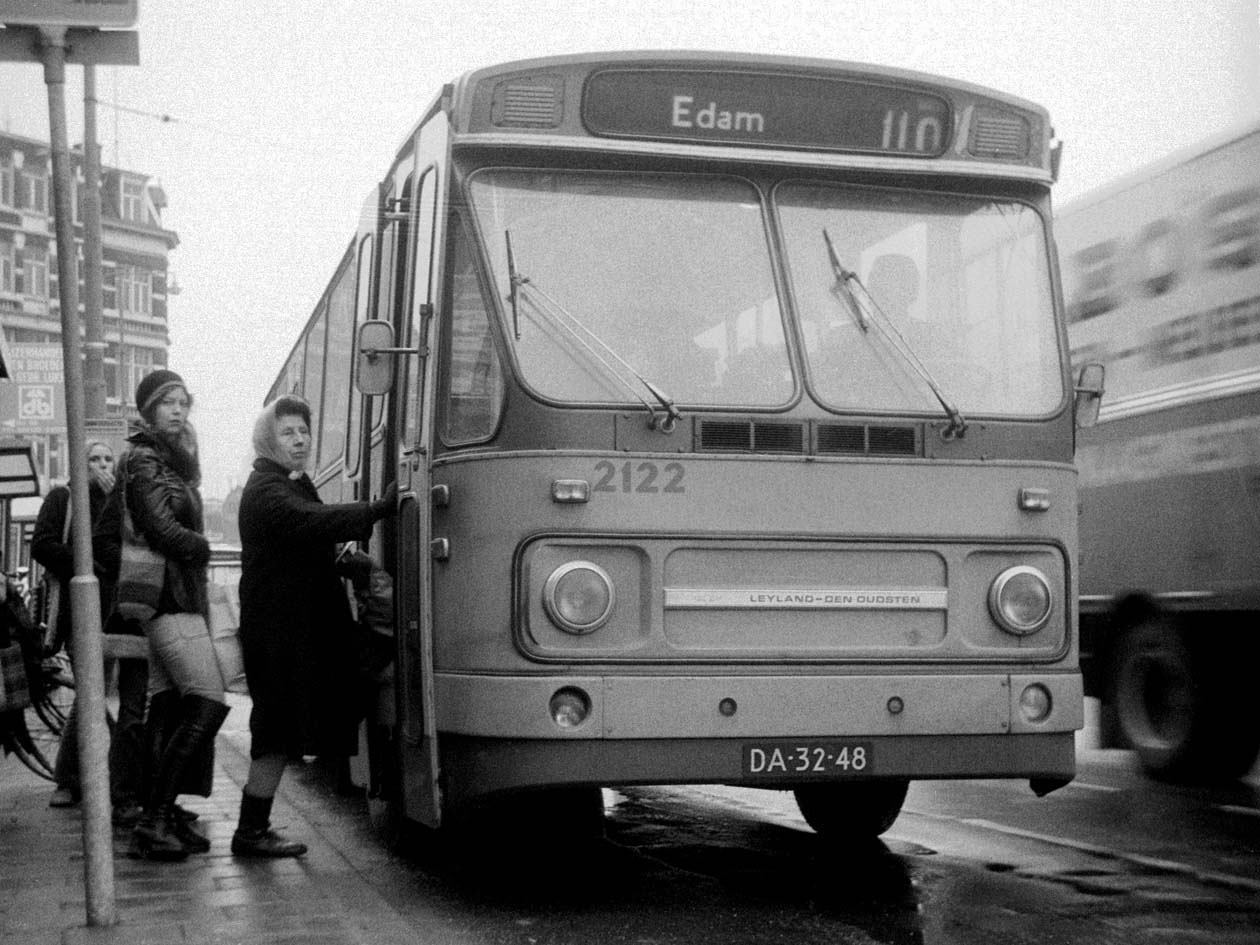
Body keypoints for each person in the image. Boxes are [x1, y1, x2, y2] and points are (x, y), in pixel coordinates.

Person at [232, 394, 394, 857]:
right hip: (282, 635)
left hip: (298, 630)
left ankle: (252, 828)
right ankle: (250, 831)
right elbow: (310, 522)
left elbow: (307, 537)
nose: (300, 439)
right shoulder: (266, 489)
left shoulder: (287, 483)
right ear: (268, 439)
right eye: (288, 432)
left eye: (304, 431)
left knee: (281, 728)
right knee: (276, 730)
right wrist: (375, 510)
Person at [95, 369, 226, 860]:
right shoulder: (145, 459)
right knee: (209, 701)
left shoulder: (170, 461)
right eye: (168, 402)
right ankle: (152, 819)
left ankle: (162, 815)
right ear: (148, 409)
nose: (178, 410)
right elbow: (160, 527)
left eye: (183, 402)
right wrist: (202, 546)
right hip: (169, 599)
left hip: (178, 594)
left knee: (169, 707)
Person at [33, 440, 147, 822]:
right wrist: (87, 565)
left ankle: (98, 775)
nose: (101, 465)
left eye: (106, 458)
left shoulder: (119, 501)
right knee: (90, 692)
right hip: (80, 611)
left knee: (97, 693)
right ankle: (69, 778)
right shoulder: (63, 497)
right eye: (93, 459)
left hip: (116, 611)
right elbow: (43, 544)